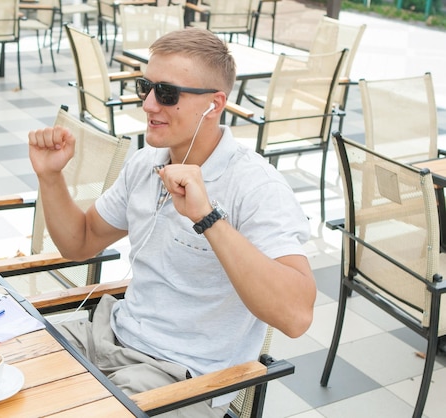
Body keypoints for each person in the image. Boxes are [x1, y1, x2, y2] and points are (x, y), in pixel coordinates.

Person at [28, 28, 316, 417]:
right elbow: (78, 242)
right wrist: (50, 177)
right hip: (108, 336)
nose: (148, 104)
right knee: (8, 363)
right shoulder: (147, 162)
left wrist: (207, 218)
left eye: (166, 93)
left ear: (214, 105)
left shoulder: (256, 187)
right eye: (145, 87)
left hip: (181, 376)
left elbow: (296, 317)